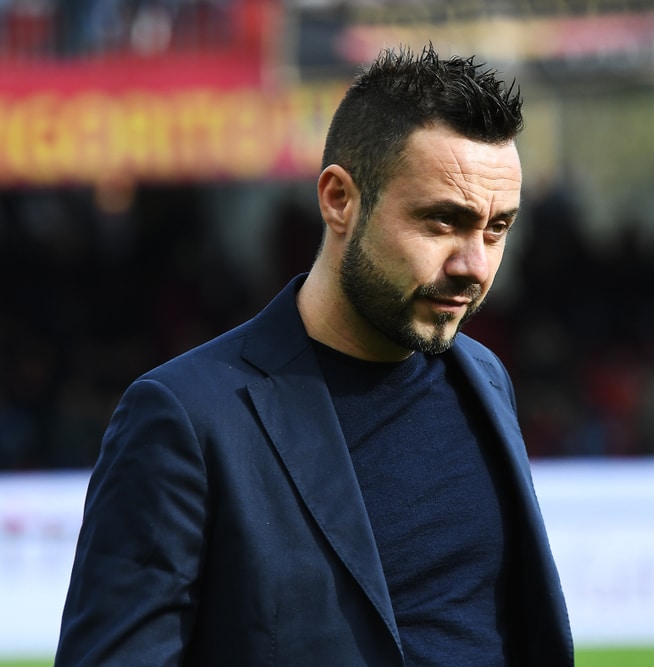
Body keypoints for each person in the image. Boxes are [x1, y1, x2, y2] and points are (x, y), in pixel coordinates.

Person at [55, 44, 574, 666]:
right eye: (442, 222)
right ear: (338, 200)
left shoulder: (485, 380)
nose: (475, 266)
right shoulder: (186, 419)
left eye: (497, 229)